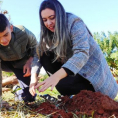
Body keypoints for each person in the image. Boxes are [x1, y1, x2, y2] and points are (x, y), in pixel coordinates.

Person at [30, 0, 118, 99]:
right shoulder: (48, 34)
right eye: (45, 20)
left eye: (52, 18)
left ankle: (89, 96)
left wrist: (56, 76)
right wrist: (33, 78)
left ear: (60, 15)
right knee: (44, 55)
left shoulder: (74, 22)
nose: (49, 23)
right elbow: (38, 55)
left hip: (92, 76)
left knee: (64, 83)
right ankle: (72, 97)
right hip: (75, 74)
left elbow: (82, 53)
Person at [0, 14, 37, 102]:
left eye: (6, 35)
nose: (3, 41)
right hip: (4, 63)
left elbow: (36, 47)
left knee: (29, 97)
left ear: (11, 28)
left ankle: (16, 89)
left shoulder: (23, 31)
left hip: (22, 64)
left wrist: (30, 61)